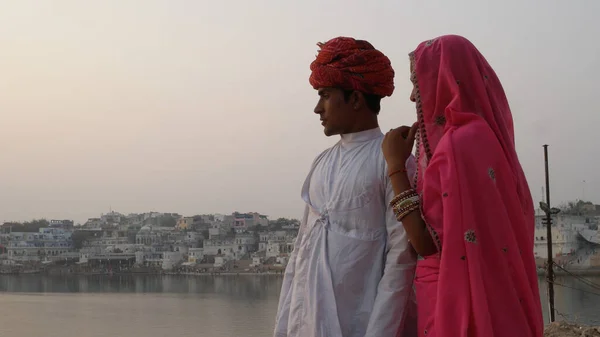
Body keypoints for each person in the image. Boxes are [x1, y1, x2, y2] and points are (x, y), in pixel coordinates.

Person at [382, 35, 544, 337]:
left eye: (417, 84)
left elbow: (428, 243)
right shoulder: (484, 138)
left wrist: (394, 167)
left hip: (453, 296)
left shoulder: (457, 145)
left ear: (444, 81)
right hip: (495, 291)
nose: (413, 97)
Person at [273, 37, 418, 337]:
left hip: (364, 325)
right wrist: (285, 328)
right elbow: (300, 257)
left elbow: (400, 260)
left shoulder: (392, 160)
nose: (317, 108)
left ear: (355, 99)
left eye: (325, 95)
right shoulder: (321, 163)